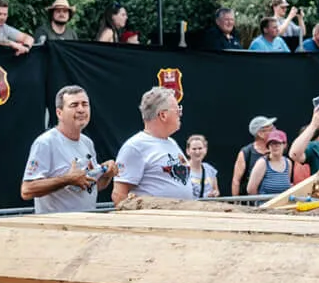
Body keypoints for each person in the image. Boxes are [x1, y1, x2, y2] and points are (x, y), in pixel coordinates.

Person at [20, 85, 116, 213]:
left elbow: (90, 187)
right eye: (74, 105)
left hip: (86, 224)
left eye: (85, 104)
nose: (81, 109)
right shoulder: (45, 143)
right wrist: (67, 179)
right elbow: (27, 190)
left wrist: (106, 174)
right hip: (56, 228)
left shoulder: (87, 143)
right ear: (59, 113)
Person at [113, 87, 192, 203]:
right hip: (155, 220)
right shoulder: (135, 147)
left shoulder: (171, 142)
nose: (180, 114)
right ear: (163, 115)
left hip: (181, 218)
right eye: (177, 110)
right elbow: (119, 194)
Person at [232, 116, 277, 197]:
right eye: (271, 130)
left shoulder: (277, 150)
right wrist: (236, 203)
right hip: (251, 204)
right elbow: (236, 181)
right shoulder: (246, 152)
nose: (275, 131)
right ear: (260, 134)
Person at [185, 134, 219, 199]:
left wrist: (214, 193)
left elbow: (216, 190)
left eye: (200, 148)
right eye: (194, 149)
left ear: (205, 150)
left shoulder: (210, 169)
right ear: (188, 151)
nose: (197, 152)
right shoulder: (182, 170)